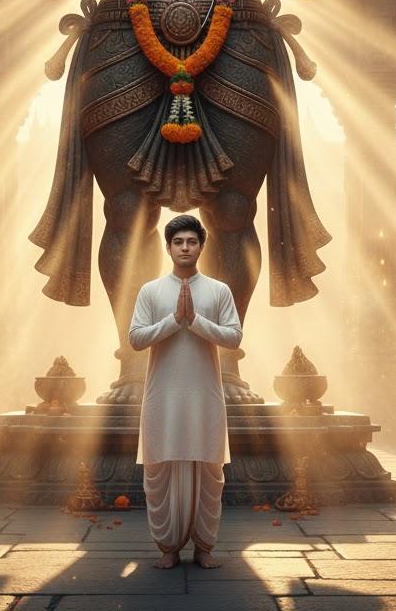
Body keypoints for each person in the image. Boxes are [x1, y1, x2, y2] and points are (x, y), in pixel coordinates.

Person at [128, 213, 243, 569]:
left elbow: (234, 337)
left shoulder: (218, 290)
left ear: (201, 247)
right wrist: (173, 320)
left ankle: (205, 547)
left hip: (204, 396)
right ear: (168, 248)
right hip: (163, 397)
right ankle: (169, 548)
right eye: (178, 242)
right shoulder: (150, 291)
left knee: (209, 472)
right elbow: (135, 339)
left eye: (191, 241)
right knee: (159, 471)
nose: (185, 247)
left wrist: (195, 321)